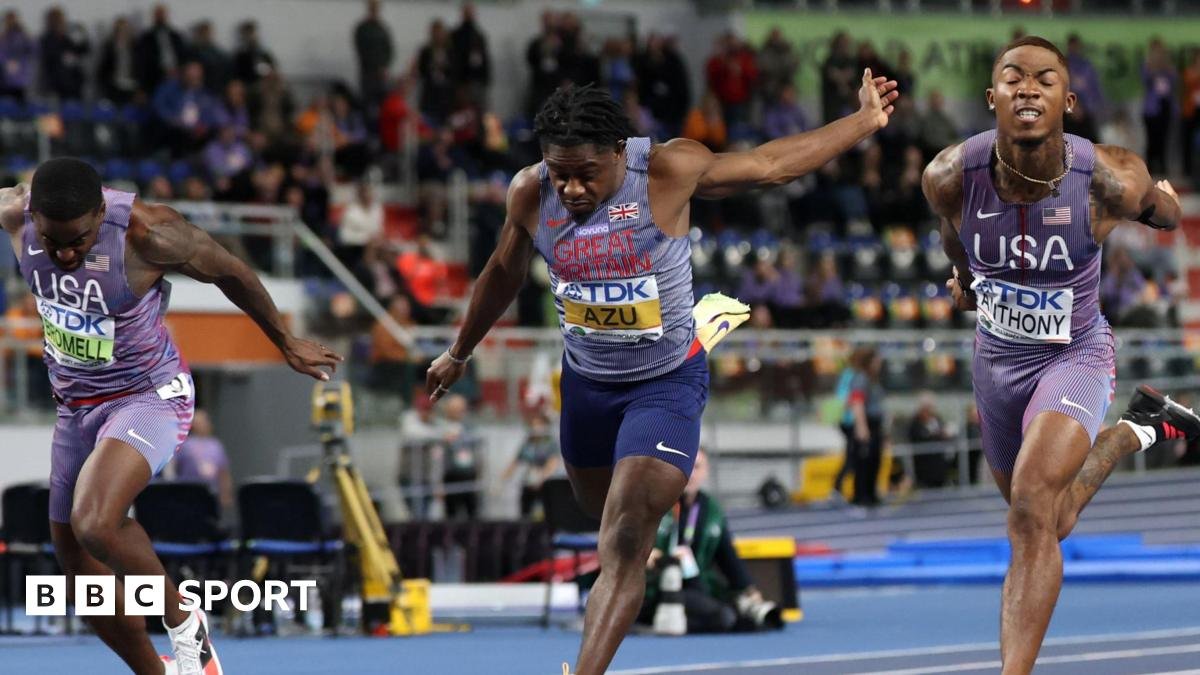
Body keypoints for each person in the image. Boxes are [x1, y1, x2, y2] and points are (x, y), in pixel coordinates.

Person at [426, 70, 898, 674]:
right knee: (610, 527)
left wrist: (863, 119)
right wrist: (458, 352)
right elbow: (501, 272)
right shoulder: (530, 192)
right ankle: (651, 516)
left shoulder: (667, 172)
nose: (569, 188)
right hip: (588, 385)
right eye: (559, 172)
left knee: (625, 537)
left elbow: (771, 164)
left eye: (585, 174)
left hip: (664, 380)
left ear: (620, 154)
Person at [921, 36, 1200, 674]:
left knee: (1027, 512)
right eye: (1013, 78)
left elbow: (1163, 210)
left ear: (1067, 101)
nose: (1027, 88)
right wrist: (964, 284)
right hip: (995, 361)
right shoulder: (947, 177)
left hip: (1074, 354)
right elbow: (953, 241)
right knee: (1053, 517)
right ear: (991, 97)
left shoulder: (1106, 177)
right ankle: (1138, 429)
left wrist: (1163, 202)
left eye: (1044, 79)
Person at [0, 159, 342, 675]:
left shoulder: (150, 233)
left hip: (149, 397)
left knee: (94, 522)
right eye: (53, 243)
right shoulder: (14, 214)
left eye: (79, 241)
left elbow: (231, 270)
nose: (66, 254)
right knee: (79, 569)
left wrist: (285, 340)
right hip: (74, 409)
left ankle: (186, 626)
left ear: (100, 215)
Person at [639, 450, 780, 634]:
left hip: (695, 587)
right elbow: (631, 543)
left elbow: (727, 556)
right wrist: (648, 555)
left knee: (744, 616)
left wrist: (748, 589)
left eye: (696, 467)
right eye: (686, 466)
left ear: (705, 471)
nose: (690, 473)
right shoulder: (656, 502)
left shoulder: (712, 510)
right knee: (725, 617)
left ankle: (671, 623)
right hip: (654, 589)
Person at [497, 411, 560, 518]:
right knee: (525, 513)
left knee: (545, 514)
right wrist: (501, 480)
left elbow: (552, 463)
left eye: (539, 425)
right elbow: (515, 462)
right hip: (528, 483)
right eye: (533, 425)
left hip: (544, 485)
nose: (536, 428)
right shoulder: (527, 443)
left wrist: (542, 478)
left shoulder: (550, 443)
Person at [169, 409, 233, 513]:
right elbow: (173, 468)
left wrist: (225, 493)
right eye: (199, 422)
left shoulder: (216, 445)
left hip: (212, 494)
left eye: (205, 421)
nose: (204, 424)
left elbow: (223, 472)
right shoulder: (184, 444)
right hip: (188, 494)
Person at [353, 0, 393, 111]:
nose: (375, 11)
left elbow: (389, 49)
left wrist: (385, 66)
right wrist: (376, 67)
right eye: (373, 8)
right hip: (368, 73)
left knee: (383, 103)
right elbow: (361, 50)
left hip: (382, 74)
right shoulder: (362, 28)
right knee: (367, 103)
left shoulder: (382, 28)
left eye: (376, 8)